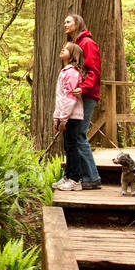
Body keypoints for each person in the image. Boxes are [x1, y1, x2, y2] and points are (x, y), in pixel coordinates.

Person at [65, 13, 103, 190]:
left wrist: (84, 87)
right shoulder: (76, 44)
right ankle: (79, 175)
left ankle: (92, 177)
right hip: (79, 95)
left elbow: (93, 70)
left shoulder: (87, 43)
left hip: (86, 96)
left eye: (68, 22)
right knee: (74, 134)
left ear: (77, 24)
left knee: (79, 133)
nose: (65, 25)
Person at [50, 43, 87, 191]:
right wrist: (56, 117)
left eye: (65, 49)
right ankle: (68, 175)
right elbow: (60, 97)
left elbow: (70, 97)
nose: (61, 49)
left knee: (73, 147)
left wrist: (63, 118)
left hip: (73, 115)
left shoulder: (71, 72)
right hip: (66, 115)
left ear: (72, 55)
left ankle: (76, 179)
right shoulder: (64, 71)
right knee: (68, 146)